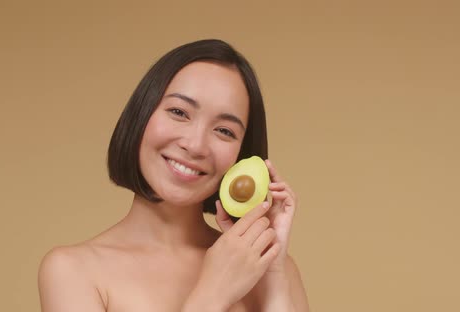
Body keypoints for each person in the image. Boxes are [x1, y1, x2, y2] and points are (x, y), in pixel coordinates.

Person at [38, 39, 310, 312]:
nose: (195, 145)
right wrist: (213, 294)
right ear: (141, 116)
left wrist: (273, 276)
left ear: (241, 156)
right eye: (179, 112)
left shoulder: (275, 270)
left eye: (224, 131)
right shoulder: (72, 271)